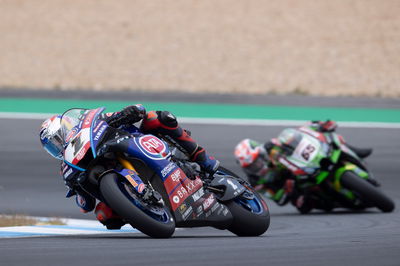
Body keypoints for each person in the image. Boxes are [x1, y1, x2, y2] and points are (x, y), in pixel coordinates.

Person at [40, 104, 219, 229]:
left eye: (56, 139)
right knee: (104, 215)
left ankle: (203, 159)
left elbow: (137, 110)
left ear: (67, 127)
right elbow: (85, 205)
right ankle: (145, 210)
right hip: (114, 170)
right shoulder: (67, 166)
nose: (57, 146)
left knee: (157, 118)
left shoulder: (93, 124)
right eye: (51, 147)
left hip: (137, 141)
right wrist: (78, 188)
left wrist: (128, 112)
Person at [234, 120, 372, 213]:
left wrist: (317, 125)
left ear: (261, 153)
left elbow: (298, 136)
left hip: (307, 163)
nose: (256, 167)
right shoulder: (257, 183)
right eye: (251, 167)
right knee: (303, 205)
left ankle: (356, 153)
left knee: (331, 138)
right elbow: (278, 199)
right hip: (299, 187)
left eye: (257, 162)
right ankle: (336, 201)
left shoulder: (272, 147)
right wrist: (287, 190)